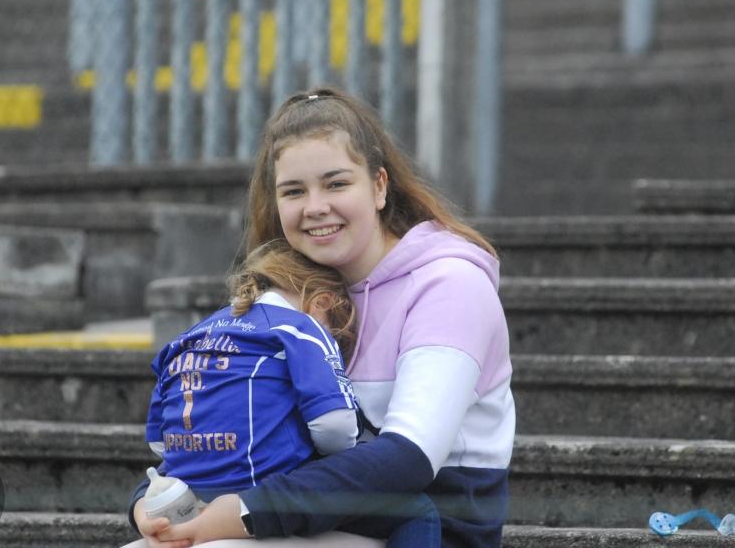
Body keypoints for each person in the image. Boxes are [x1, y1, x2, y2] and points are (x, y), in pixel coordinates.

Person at [128, 87, 515, 548]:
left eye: (336, 184)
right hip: (301, 514)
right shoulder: (293, 295)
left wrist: (246, 510)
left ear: (379, 186)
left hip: (428, 526)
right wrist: (150, 502)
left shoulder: (450, 285)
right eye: (294, 191)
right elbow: (229, 432)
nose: (315, 207)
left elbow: (410, 459)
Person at [130, 239, 442, 548]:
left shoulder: (188, 336)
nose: (337, 342)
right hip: (260, 489)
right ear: (322, 303)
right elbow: (336, 425)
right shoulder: (301, 326)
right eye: (337, 331)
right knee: (417, 511)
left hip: (187, 493)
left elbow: (158, 443)